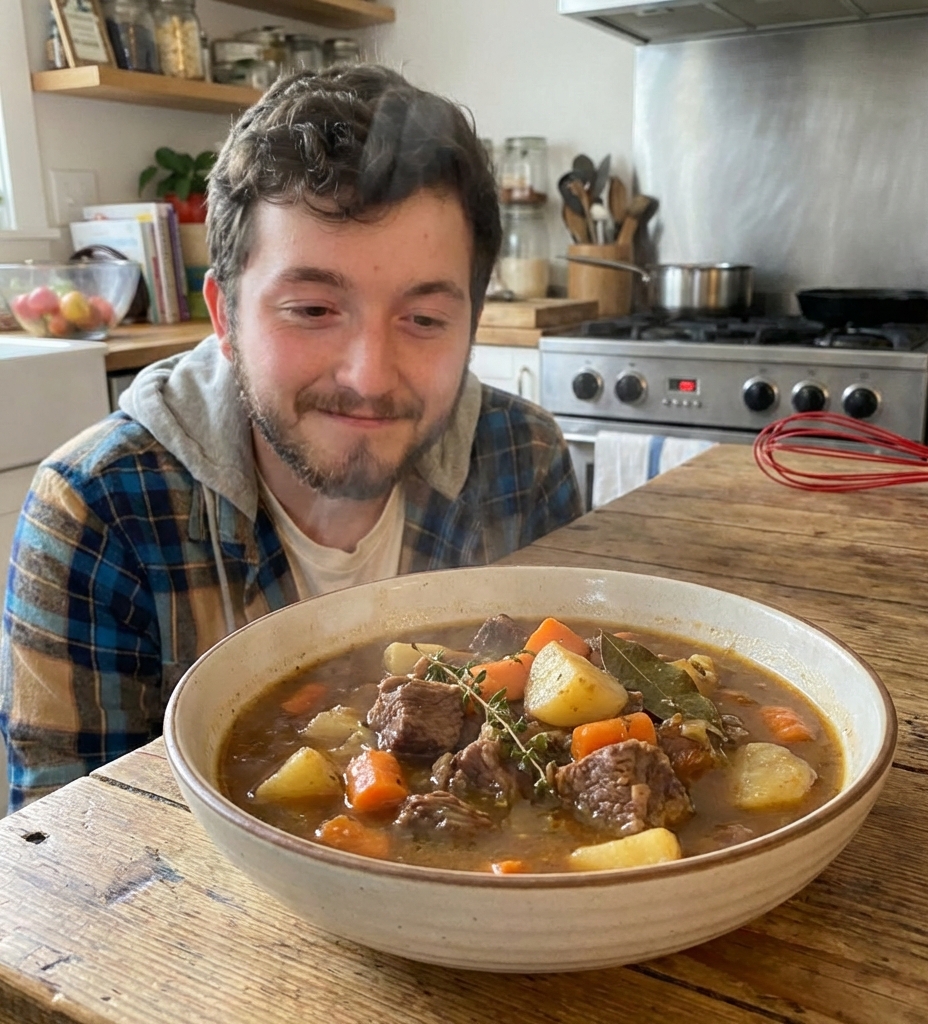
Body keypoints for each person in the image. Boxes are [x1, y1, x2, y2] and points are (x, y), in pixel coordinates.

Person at [0, 65, 582, 811]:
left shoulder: (523, 457)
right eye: (312, 309)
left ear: (472, 324)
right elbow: (70, 843)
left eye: (424, 319)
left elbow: (564, 717)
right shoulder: (98, 512)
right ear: (225, 317)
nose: (369, 377)